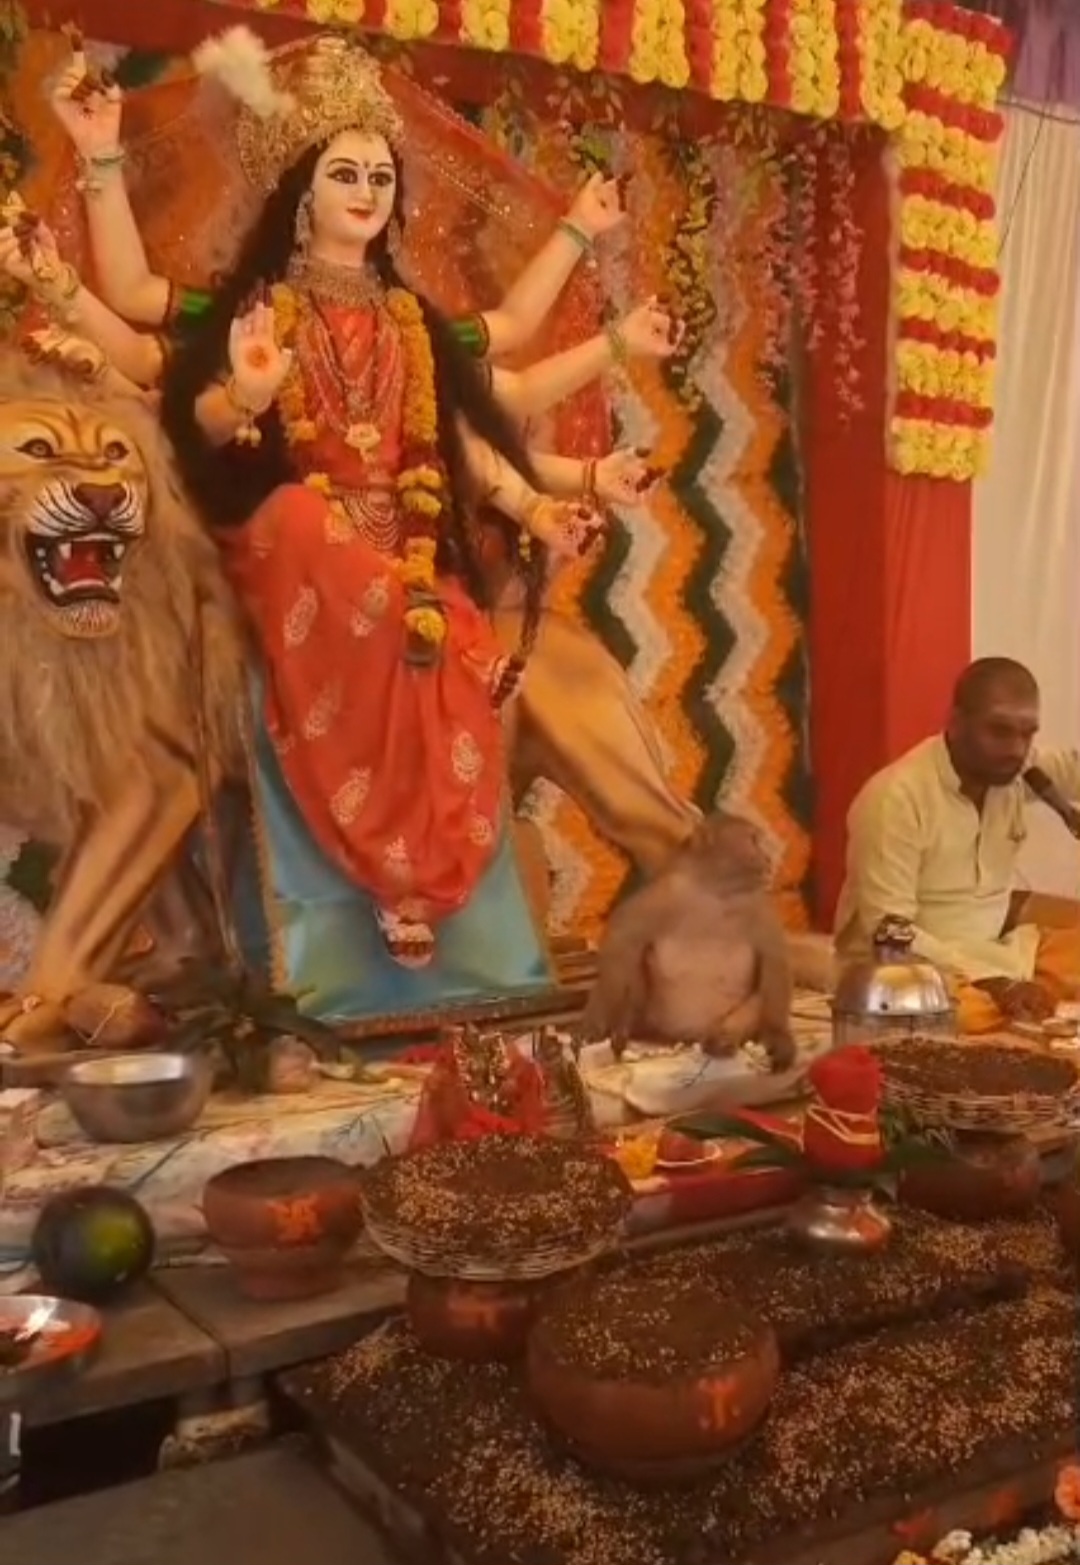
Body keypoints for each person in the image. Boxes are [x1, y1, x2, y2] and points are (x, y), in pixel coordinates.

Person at [834, 657, 1080, 1033]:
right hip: (915, 969)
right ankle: (1022, 1006)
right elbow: (888, 931)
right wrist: (993, 981)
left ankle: (1030, 1001)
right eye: (999, 731)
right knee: (949, 1011)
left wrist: (1003, 976)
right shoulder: (896, 798)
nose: (1016, 749)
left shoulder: (1017, 771)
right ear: (955, 720)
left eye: (1027, 734)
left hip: (1000, 954)